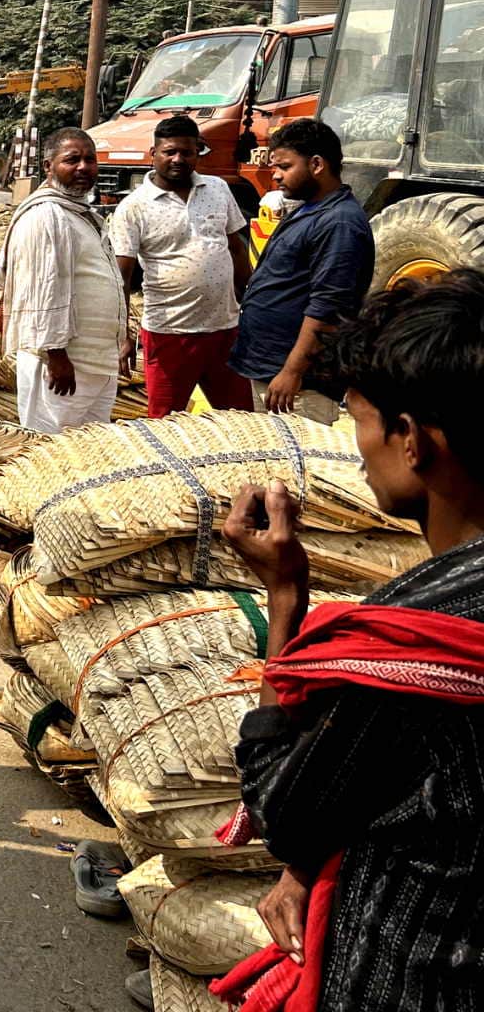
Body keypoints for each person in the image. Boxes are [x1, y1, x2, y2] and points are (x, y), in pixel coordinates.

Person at [212, 269, 484, 1012]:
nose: (355, 444)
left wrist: (286, 598)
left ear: (412, 440)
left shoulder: (416, 642)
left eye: (359, 418)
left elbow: (285, 809)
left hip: (415, 974)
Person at [228, 118, 373, 424]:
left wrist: (293, 371)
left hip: (299, 385)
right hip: (273, 370)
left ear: (317, 164)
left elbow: (329, 306)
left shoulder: (340, 223)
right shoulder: (309, 209)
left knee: (298, 466)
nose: (276, 176)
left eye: (285, 166)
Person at [108, 114, 254, 417]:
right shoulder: (134, 207)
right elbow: (121, 277)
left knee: (240, 421)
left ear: (197, 152)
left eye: (186, 152)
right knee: (165, 424)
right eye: (169, 152)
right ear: (154, 155)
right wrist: (121, 334)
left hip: (224, 330)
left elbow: (236, 249)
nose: (178, 159)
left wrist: (248, 300)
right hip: (170, 334)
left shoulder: (217, 188)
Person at [0, 126, 129, 434]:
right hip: (62, 366)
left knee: (86, 455)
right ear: (48, 167)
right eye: (72, 160)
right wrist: (56, 356)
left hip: (93, 363)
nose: (83, 167)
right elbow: (43, 289)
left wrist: (122, 334)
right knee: (50, 451)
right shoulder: (46, 216)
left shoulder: (79, 214)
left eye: (90, 159)